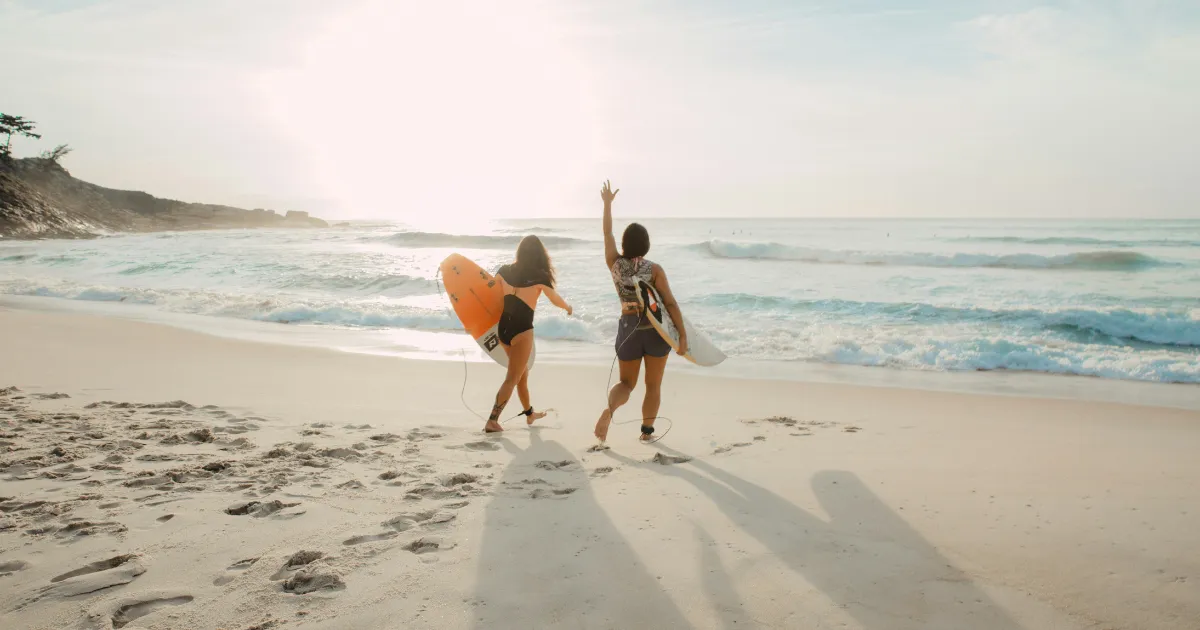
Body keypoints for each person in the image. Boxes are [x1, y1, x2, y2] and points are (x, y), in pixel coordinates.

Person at [594, 181, 688, 443]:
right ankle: (647, 433)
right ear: (646, 245)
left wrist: (607, 204)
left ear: (625, 244)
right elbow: (669, 303)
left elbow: (607, 234)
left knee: (626, 384)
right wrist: (682, 335)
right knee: (653, 385)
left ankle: (609, 411)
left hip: (628, 328)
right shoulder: (654, 269)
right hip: (655, 330)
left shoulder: (615, 264)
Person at [485, 235, 573, 433]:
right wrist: (568, 308)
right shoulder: (539, 276)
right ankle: (492, 420)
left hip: (503, 329)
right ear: (540, 255)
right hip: (522, 331)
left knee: (521, 376)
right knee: (512, 378)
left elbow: (489, 292)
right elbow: (555, 299)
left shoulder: (504, 270)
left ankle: (529, 414)